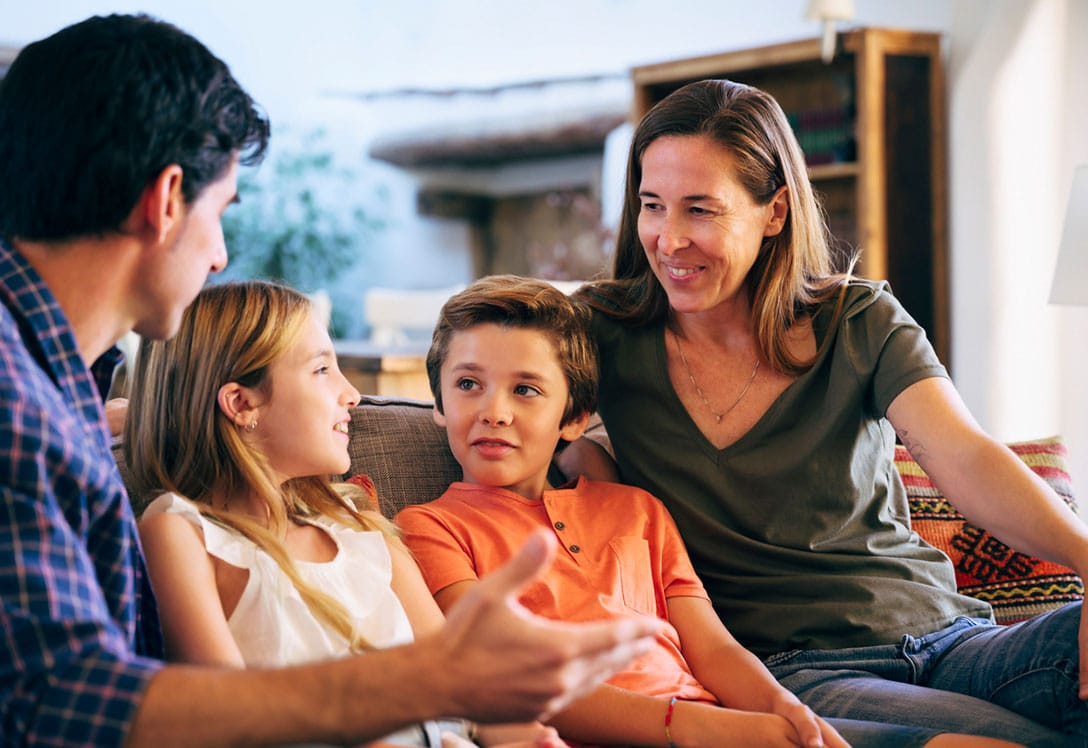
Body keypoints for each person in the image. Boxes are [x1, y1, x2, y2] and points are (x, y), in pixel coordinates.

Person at [0, 15, 661, 746]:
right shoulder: (20, 407)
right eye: (220, 213)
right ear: (165, 200)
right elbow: (55, 703)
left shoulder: (53, 396)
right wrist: (433, 679)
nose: (219, 256)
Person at [553, 78, 1088, 745]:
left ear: (775, 211)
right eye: (652, 205)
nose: (668, 238)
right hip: (799, 670)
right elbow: (494, 383)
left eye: (700, 210)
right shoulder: (602, 331)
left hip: (954, 639)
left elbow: (965, 454)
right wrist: (579, 461)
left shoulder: (858, 318)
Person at [396, 275, 1020, 748]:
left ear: (574, 418)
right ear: (438, 405)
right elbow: (509, 681)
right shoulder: (427, 529)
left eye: (526, 390)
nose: (493, 411)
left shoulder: (635, 509)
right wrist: (693, 726)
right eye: (467, 384)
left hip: (720, 723)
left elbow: (714, 649)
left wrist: (783, 711)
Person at [127, 280, 565, 748]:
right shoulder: (180, 532)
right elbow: (224, 722)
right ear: (241, 403)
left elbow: (460, 688)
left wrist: (524, 735)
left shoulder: (360, 527)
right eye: (321, 370)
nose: (351, 394)